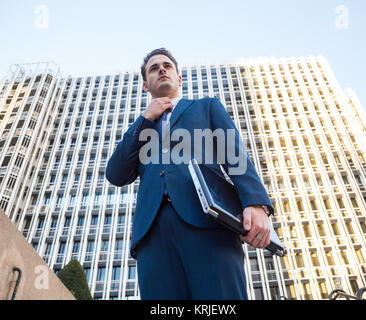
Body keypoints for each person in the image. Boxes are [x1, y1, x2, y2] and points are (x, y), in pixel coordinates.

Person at [106, 48, 274, 299]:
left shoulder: (206, 107)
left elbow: (235, 155)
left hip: (209, 224)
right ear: (145, 85)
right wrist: (144, 118)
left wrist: (256, 203)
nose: (161, 69)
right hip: (152, 236)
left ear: (179, 78)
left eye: (167, 66)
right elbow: (116, 174)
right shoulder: (142, 127)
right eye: (154, 68)